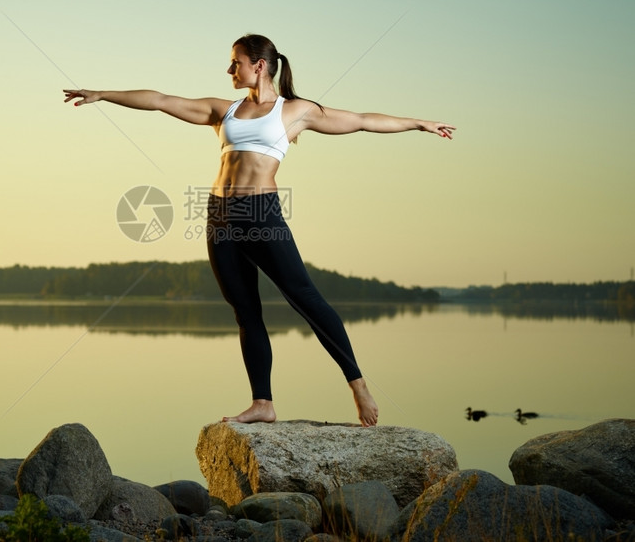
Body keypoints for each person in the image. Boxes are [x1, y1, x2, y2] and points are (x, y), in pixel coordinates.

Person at [64, 33, 455, 427]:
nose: (230, 70)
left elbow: (362, 121)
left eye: (236, 62)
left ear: (260, 65)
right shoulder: (224, 110)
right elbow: (163, 101)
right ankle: (263, 403)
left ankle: (357, 384)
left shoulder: (295, 111)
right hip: (219, 216)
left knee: (306, 299)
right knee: (245, 311)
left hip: (262, 215)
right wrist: (104, 94)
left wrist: (419, 123)